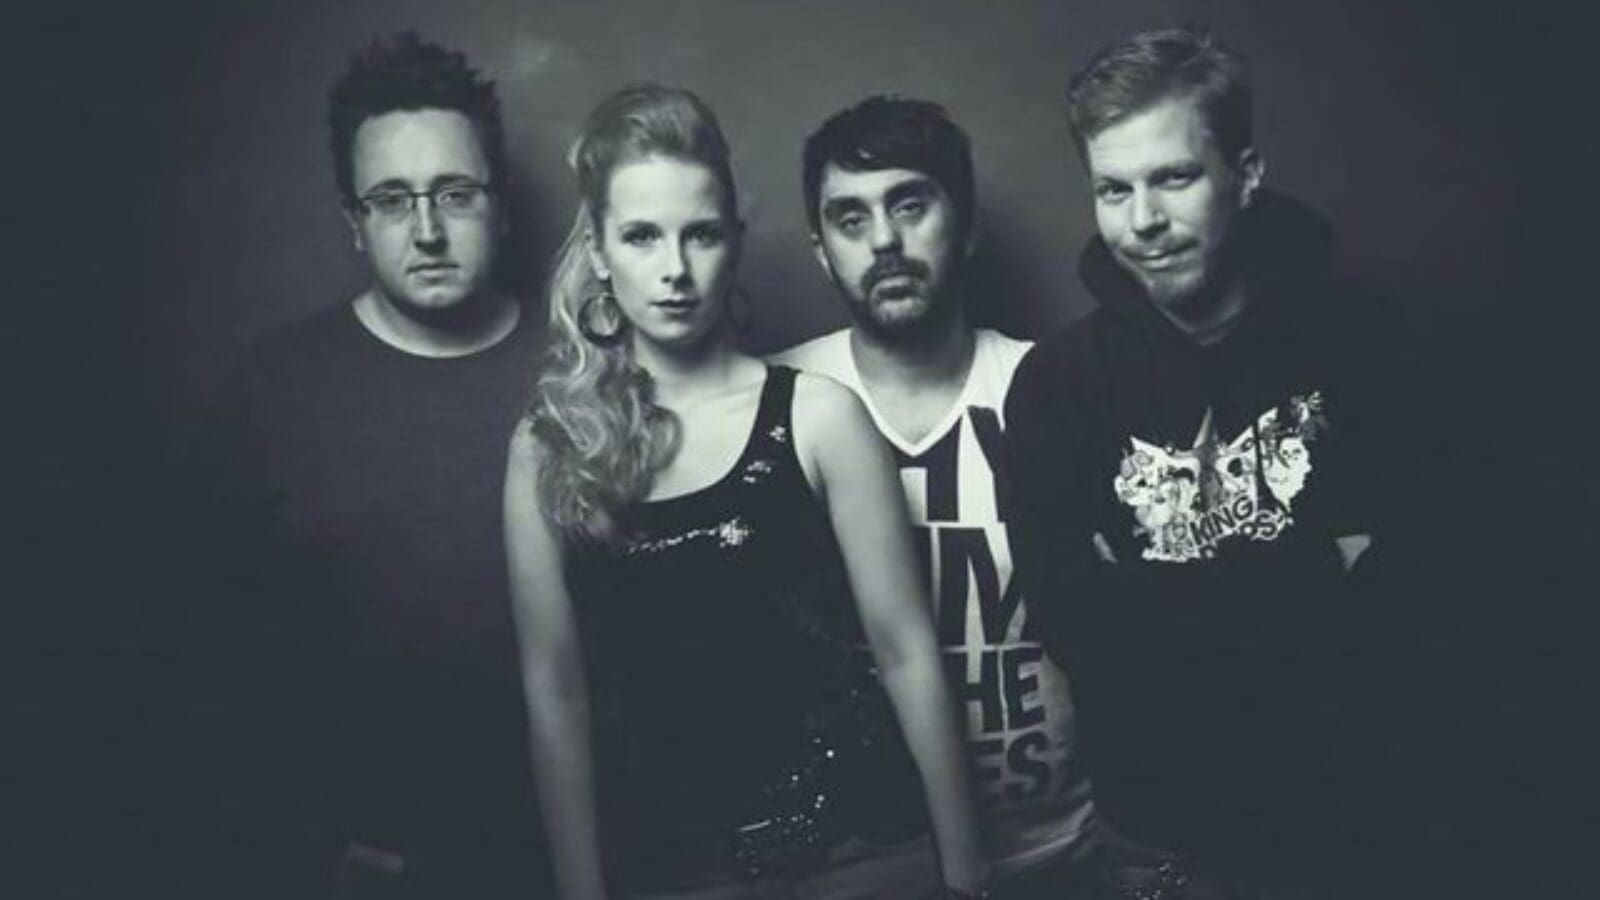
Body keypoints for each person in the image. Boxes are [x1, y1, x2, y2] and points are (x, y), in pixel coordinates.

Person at [504, 84, 990, 899]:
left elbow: (906, 649)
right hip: (673, 870)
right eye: (642, 236)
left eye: (699, 234)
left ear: (734, 240)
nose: (674, 270)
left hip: (867, 857)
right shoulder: (548, 447)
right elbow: (554, 690)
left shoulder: (819, 416)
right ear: (599, 250)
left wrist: (967, 871)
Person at [1003, 26, 1403, 898]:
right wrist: (1314, 566)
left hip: (1359, 825)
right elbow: (1081, 630)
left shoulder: (1370, 348)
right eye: (1113, 190)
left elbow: (1413, 611)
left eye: (1174, 178)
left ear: (1246, 173)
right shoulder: (1056, 387)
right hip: (1159, 845)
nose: (1142, 220)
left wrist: (1152, 592)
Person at [187, 32, 544, 898]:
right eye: (391, 200)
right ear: (354, 222)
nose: (427, 231)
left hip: (578, 854)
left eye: (454, 193)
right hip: (363, 866)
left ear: (499, 206)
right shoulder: (272, 395)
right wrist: (304, 848)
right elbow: (207, 664)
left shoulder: (585, 377)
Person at [774, 96, 1095, 897]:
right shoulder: (774, 406)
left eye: (910, 204)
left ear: (969, 224)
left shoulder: (1052, 386)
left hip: (1071, 850)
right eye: (850, 218)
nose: (883, 239)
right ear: (822, 253)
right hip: (865, 868)